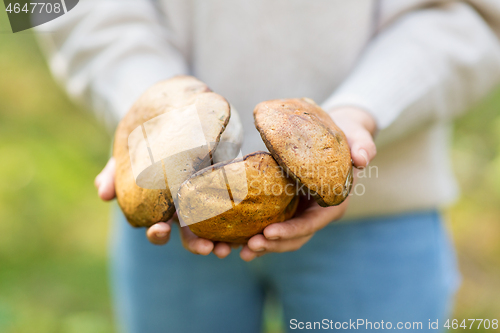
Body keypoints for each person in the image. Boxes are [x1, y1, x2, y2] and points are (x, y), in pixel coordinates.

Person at [36, 0, 500, 332]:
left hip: (379, 220)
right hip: (170, 215)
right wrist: (154, 105)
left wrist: (362, 110)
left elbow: (479, 14)